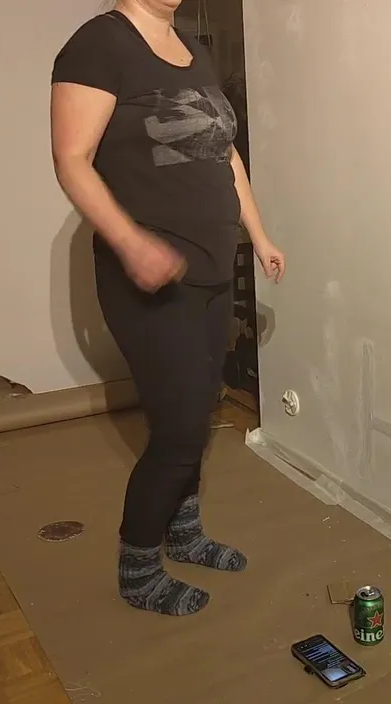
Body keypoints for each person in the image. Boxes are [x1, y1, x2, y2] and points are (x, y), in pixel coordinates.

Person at [50, 0, 285, 617]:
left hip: (210, 269)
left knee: (198, 415)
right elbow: (71, 159)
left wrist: (259, 235)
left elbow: (224, 153)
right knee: (179, 431)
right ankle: (139, 568)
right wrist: (130, 244)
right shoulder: (98, 45)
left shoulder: (192, 50)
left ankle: (185, 535)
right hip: (150, 279)